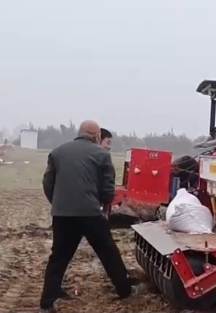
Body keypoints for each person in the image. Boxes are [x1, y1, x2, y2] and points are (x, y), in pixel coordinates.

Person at [40, 120, 135, 312]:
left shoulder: (57, 152)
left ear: (79, 133)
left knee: (59, 256)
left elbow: (48, 183)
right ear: (97, 136)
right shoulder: (102, 155)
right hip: (90, 213)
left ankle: (48, 300)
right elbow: (107, 189)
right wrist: (104, 208)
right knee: (108, 252)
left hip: (62, 215)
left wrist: (58, 204)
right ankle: (125, 290)